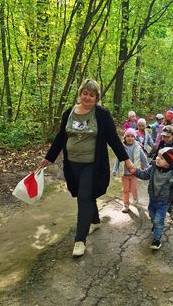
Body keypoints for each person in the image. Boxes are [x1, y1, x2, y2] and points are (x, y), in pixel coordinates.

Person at [39, 79, 134, 257]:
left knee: (83, 197)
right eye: (85, 93)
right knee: (85, 195)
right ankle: (95, 220)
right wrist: (48, 158)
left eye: (92, 95)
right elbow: (61, 137)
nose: (87, 97)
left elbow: (113, 139)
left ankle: (79, 240)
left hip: (92, 164)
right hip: (72, 164)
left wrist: (126, 160)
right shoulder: (69, 113)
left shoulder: (102, 115)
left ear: (96, 97)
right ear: (80, 93)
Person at [131, 147, 173, 250]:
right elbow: (145, 174)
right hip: (153, 198)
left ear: (168, 163)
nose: (158, 159)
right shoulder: (153, 166)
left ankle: (156, 240)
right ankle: (155, 226)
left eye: (162, 158)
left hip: (164, 201)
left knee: (158, 220)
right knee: (152, 215)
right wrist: (135, 171)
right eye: (158, 156)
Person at [113, 128, 149, 213]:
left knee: (133, 188)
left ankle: (135, 198)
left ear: (135, 138)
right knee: (125, 189)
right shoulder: (121, 147)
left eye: (132, 136)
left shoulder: (137, 147)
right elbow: (118, 159)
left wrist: (147, 166)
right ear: (124, 138)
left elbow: (143, 157)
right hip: (124, 173)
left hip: (134, 173)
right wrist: (115, 169)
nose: (130, 138)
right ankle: (126, 205)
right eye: (128, 136)